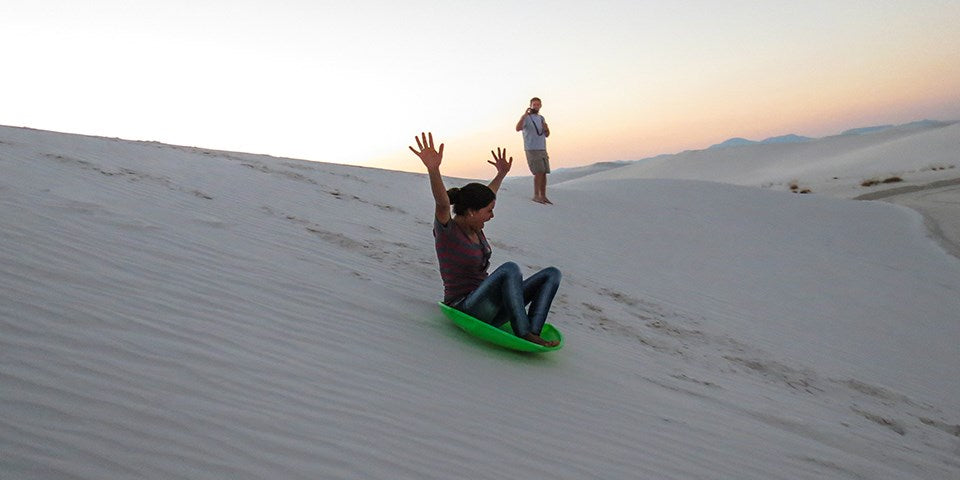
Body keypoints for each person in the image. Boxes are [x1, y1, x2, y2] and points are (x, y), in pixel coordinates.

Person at [409, 132, 561, 347]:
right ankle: (524, 333)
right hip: (465, 306)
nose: (492, 216)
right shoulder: (448, 232)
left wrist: (500, 174)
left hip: (490, 307)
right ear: (471, 212)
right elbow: (442, 203)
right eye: (488, 211)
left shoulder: (476, 226)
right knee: (510, 269)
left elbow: (487, 194)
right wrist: (433, 169)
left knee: (552, 274)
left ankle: (533, 331)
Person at [515, 97, 552, 204]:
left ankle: (543, 196)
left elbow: (547, 135)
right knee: (538, 172)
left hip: (542, 148)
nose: (536, 106)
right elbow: (518, 128)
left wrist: (546, 128)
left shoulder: (541, 118)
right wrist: (524, 116)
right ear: (530, 105)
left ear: (540, 105)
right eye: (534, 104)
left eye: (538, 104)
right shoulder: (527, 118)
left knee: (544, 172)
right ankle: (536, 195)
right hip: (532, 148)